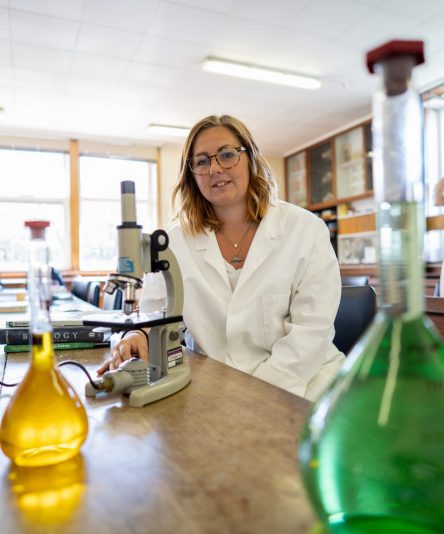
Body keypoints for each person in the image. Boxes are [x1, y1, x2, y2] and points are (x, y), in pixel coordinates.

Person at [98, 114, 345, 400]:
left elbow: (309, 334)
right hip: (217, 384)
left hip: (307, 384)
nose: (215, 168)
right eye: (202, 161)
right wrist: (137, 336)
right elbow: (154, 319)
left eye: (227, 155)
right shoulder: (173, 242)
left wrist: (251, 396)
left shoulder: (305, 230)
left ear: (250, 159)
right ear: (191, 174)